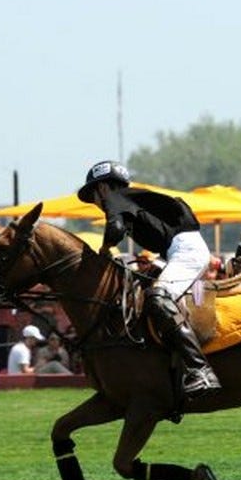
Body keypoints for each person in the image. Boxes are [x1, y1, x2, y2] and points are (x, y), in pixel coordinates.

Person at [77, 160, 220, 397]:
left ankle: (200, 369)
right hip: (178, 251)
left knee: (158, 297)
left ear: (102, 188)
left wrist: (104, 250)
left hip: (185, 251)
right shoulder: (131, 199)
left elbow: (115, 229)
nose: (96, 204)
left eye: (93, 196)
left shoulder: (114, 198)